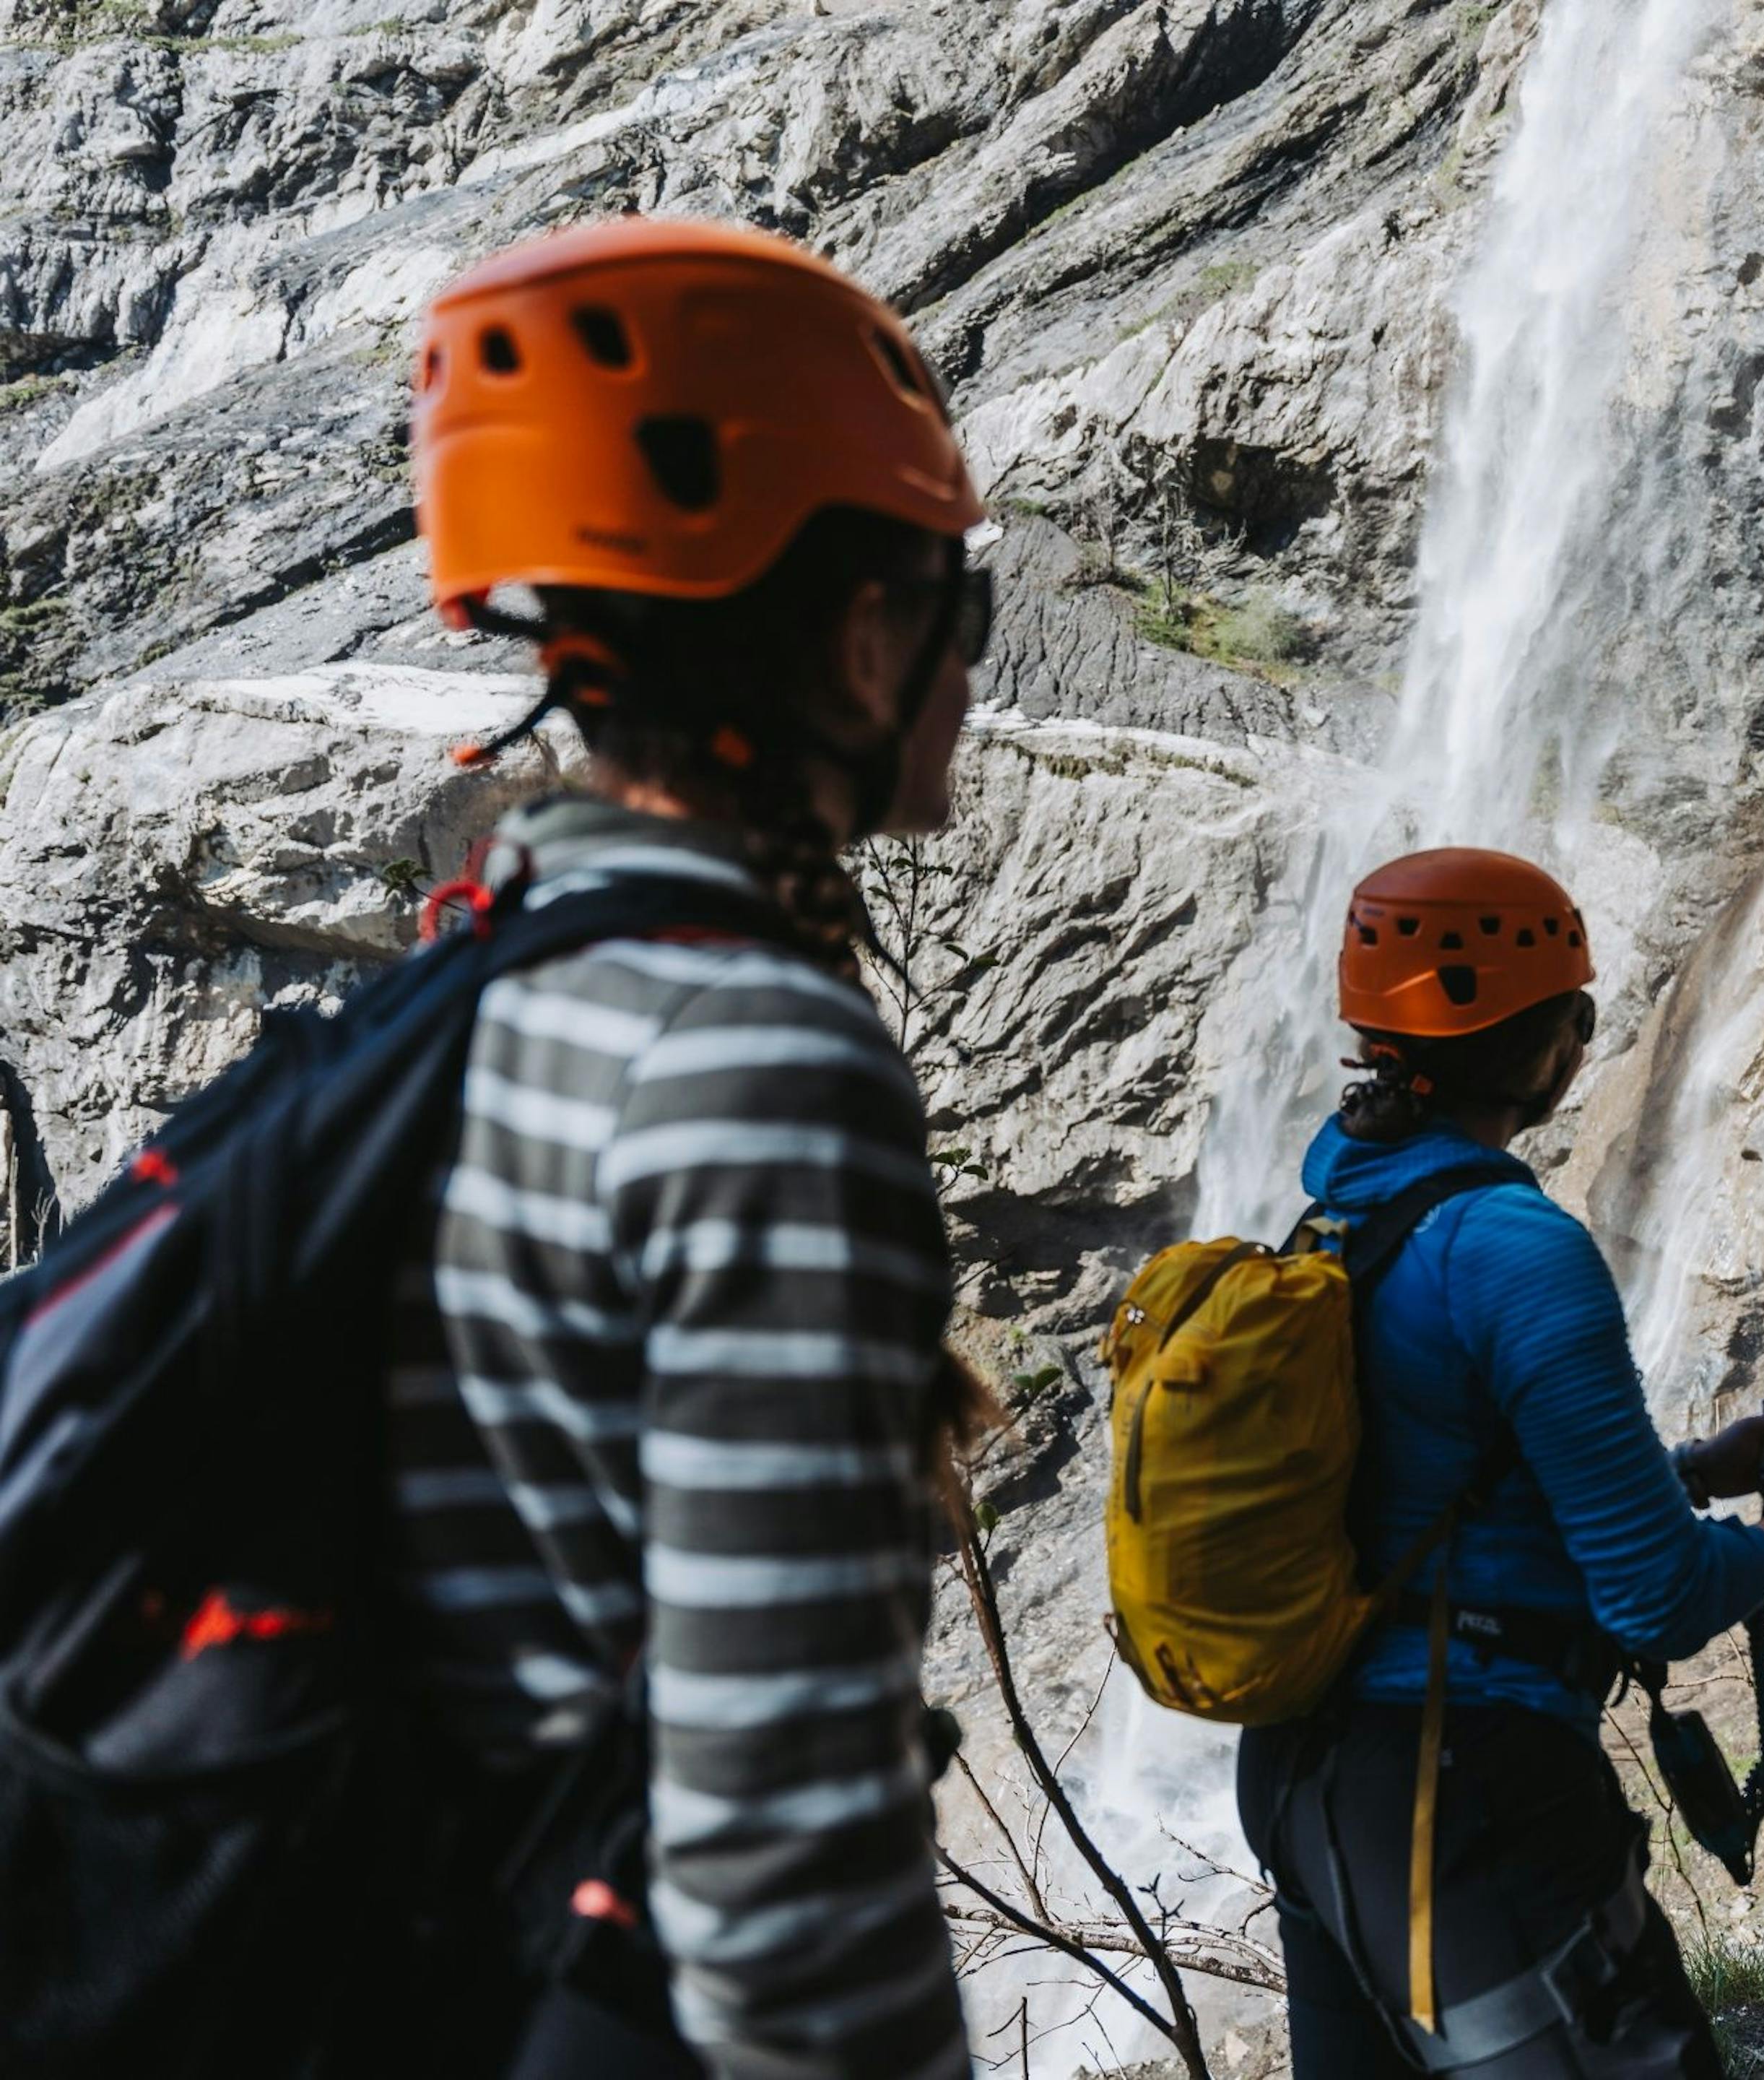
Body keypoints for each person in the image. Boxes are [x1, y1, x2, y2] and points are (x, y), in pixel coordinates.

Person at [391, 218, 989, 2079]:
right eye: (963, 606)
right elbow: (781, 1875)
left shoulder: (483, 982)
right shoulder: (745, 1061)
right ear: (863, 630)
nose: (974, 663)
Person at [1238, 847, 1764, 2079]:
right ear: (1551, 1044)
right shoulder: (1514, 1244)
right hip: (1458, 1785)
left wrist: (1694, 1470)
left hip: (1303, 1776)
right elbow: (1658, 1599)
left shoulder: (1341, 1215)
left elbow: (1435, 1477)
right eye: (1581, 1017)